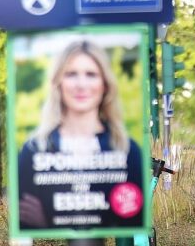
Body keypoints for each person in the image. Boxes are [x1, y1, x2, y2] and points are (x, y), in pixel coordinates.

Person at [17, 40, 144, 230]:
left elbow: (133, 220)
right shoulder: (34, 150)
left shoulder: (127, 150)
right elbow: (25, 220)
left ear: (105, 84)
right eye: (71, 74)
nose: (81, 84)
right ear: (58, 83)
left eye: (91, 74)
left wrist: (48, 221)